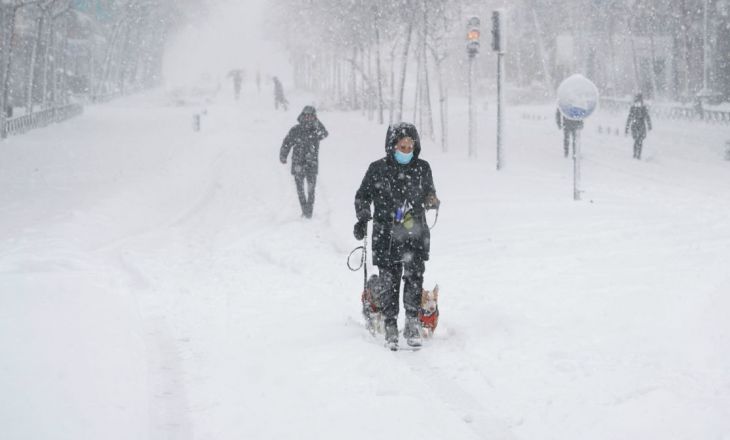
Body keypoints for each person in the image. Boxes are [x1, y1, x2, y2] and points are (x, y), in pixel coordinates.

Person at [353, 122, 440, 350]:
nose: (406, 150)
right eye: (402, 146)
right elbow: (362, 196)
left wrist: (431, 199)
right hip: (387, 235)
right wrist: (363, 217)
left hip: (415, 233)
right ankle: (391, 325)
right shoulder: (377, 169)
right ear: (392, 146)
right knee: (389, 282)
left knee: (414, 278)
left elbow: (429, 191)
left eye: (410, 146)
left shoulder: (423, 168)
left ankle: (412, 322)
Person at [279, 106, 328, 218]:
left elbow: (325, 133)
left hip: (312, 164)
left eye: (311, 116)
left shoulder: (316, 131)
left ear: (314, 117)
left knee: (311, 190)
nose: (308, 118)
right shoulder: (296, 130)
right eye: (306, 115)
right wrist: (283, 155)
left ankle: (309, 212)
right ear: (302, 116)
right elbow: (287, 143)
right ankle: (304, 209)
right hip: (297, 164)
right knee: (300, 190)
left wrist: (317, 122)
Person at [625, 93, 652, 160]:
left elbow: (629, 118)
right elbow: (647, 117)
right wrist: (649, 125)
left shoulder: (635, 107)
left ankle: (636, 154)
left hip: (636, 125)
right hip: (640, 125)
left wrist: (627, 127)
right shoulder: (642, 108)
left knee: (638, 140)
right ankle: (637, 154)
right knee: (639, 141)